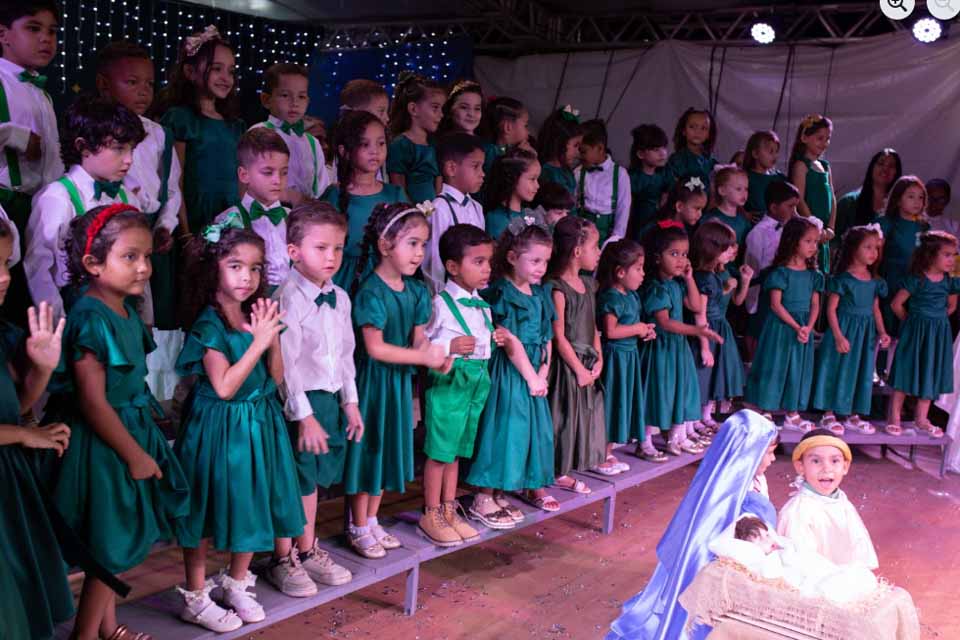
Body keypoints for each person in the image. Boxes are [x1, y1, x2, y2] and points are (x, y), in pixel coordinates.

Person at [47, 204, 189, 640]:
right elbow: (92, 402)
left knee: (117, 539)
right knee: (108, 551)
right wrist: (134, 455)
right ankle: (86, 635)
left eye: (147, 257)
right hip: (104, 444)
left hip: (129, 430)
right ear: (92, 263)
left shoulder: (124, 309)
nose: (144, 267)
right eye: (130, 257)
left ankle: (108, 628)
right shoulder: (91, 315)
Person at [174, 222, 314, 631]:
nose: (246, 277)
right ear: (212, 268)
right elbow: (222, 386)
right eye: (235, 266)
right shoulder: (209, 323)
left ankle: (236, 581)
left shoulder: (259, 310)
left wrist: (271, 341)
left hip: (259, 420)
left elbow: (275, 376)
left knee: (255, 500)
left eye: (254, 268)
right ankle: (196, 596)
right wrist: (257, 341)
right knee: (206, 506)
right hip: (218, 427)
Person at [606, 410, 778, 640]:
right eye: (768, 453)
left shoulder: (756, 481)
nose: (773, 460)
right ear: (748, 453)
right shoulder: (724, 491)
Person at [343, 202, 445, 558]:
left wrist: (436, 356)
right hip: (373, 384)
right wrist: (421, 357)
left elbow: (418, 338)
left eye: (423, 244)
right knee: (368, 450)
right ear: (386, 245)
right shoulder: (371, 291)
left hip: (398, 384)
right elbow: (375, 348)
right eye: (412, 243)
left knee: (387, 449)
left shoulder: (416, 291)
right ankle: (357, 524)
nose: (419, 253)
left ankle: (372, 520)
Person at [274, 202, 359, 585]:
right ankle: (284, 557)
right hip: (298, 403)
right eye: (321, 248)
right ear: (294, 251)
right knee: (294, 479)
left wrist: (351, 402)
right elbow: (286, 367)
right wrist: (303, 415)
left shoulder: (340, 296)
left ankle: (308, 549)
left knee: (314, 480)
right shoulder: (288, 298)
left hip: (329, 399)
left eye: (338, 248)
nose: (331, 257)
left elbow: (345, 354)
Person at [0, 219, 75, 640]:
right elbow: (18, 426)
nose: (4, 276)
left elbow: (16, 408)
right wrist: (26, 435)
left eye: (6, 262)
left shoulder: (5, 335)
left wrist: (41, 371)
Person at [95, 41, 183, 399]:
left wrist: (166, 224)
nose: (144, 91)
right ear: (104, 85)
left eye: (148, 83)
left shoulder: (159, 133)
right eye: (132, 82)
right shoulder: (100, 132)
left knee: (144, 309)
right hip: (109, 233)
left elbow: (171, 186)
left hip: (144, 232)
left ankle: (141, 388)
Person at [467, 218, 558, 524]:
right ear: (511, 257)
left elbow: (547, 337)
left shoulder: (541, 294)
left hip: (533, 374)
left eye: (545, 261)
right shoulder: (502, 293)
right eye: (534, 260)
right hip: (509, 373)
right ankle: (483, 495)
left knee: (524, 433)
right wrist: (531, 376)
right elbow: (508, 340)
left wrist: (543, 371)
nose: (540, 268)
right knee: (503, 429)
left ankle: (500, 493)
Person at [25, 96, 145, 319]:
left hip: (123, 313)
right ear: (83, 147)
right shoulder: (58, 198)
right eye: (119, 149)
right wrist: (59, 328)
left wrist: (145, 316)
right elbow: (39, 271)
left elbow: (140, 258)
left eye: (132, 149)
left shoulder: (126, 197)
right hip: (78, 315)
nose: (129, 160)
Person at [421, 223, 502, 546]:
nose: (487, 269)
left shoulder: (482, 305)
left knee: (456, 452)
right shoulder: (440, 304)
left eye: (488, 262)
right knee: (440, 451)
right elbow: (424, 344)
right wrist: (449, 348)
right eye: (478, 262)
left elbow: (482, 343)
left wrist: (495, 340)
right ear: (453, 267)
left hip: (476, 382)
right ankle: (431, 512)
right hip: (449, 382)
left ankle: (449, 506)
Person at [0, 0, 63, 326]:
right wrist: (19, 137)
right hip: (5, 209)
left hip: (37, 211)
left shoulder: (42, 92)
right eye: (33, 29)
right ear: (4, 34)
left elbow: (51, 160)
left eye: (52, 31)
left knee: (30, 310)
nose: (46, 39)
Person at [639, 222, 721, 455]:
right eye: (673, 254)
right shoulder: (656, 287)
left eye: (684, 254)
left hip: (677, 348)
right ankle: (644, 442)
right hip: (660, 348)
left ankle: (674, 438)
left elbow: (695, 306)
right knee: (657, 392)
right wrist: (697, 331)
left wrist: (689, 278)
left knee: (680, 391)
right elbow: (664, 322)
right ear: (657, 257)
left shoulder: (676, 284)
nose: (681, 260)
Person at [157, 25, 245, 235]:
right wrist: (186, 234)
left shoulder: (235, 125)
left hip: (231, 217)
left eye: (231, 71)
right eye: (216, 69)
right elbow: (174, 181)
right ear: (189, 71)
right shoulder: (181, 119)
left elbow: (242, 178)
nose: (226, 77)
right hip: (195, 219)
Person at [548, 216, 613, 488]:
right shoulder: (557, 288)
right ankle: (555, 470)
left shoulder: (589, 285)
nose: (598, 253)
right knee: (562, 416)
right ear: (577, 251)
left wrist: (597, 358)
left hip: (587, 362)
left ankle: (571, 464)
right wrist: (578, 369)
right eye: (595, 246)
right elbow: (559, 336)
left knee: (581, 417)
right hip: (568, 365)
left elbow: (594, 326)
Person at [745, 217, 825, 431]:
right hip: (781, 328)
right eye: (808, 241)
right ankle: (767, 411)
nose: (813, 246)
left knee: (798, 370)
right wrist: (796, 326)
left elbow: (815, 304)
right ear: (793, 241)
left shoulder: (813, 275)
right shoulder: (780, 273)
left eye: (815, 242)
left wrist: (808, 327)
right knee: (776, 367)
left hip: (802, 329)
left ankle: (793, 413)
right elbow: (775, 305)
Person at [811, 225, 889, 435]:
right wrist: (837, 336)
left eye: (876, 248)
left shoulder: (874, 281)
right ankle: (828, 413)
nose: (874, 253)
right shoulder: (844, 280)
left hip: (865, 335)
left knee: (860, 371)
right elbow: (831, 309)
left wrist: (882, 332)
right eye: (868, 247)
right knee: (836, 369)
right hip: (845, 331)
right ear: (854, 249)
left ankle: (853, 413)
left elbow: (875, 309)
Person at [323, 109, 406, 291]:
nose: (374, 151)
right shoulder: (334, 195)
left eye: (381, 143)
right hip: (344, 283)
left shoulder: (395, 194)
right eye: (365, 144)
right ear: (344, 151)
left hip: (387, 284)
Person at [886, 231, 959, 437]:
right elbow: (896, 304)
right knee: (905, 371)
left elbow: (951, 306)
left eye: (954, 255)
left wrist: (936, 321)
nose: (951, 260)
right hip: (915, 332)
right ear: (930, 255)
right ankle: (895, 417)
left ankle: (921, 418)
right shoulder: (917, 279)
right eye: (946, 255)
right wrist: (912, 322)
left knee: (931, 372)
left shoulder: (950, 282)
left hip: (938, 334)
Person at [777, 429, 879, 570]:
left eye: (835, 461)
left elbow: (860, 550)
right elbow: (802, 566)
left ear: (845, 466)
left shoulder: (842, 502)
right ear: (800, 467)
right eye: (816, 461)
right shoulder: (798, 512)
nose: (827, 468)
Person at [597, 238, 659, 463]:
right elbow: (611, 331)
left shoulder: (631, 296)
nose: (643, 274)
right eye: (638, 269)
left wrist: (644, 331)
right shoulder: (611, 297)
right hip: (615, 358)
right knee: (612, 403)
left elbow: (630, 327)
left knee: (622, 401)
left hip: (629, 356)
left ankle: (608, 451)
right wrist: (637, 328)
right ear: (620, 272)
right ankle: (601, 453)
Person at [213, 127, 291, 292]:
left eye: (284, 172)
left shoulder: (292, 217)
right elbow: (208, 264)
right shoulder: (228, 218)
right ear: (244, 175)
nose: (278, 180)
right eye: (268, 172)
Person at [691, 220, 751, 430]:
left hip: (718, 326)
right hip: (708, 329)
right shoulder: (704, 278)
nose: (732, 251)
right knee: (703, 374)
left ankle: (706, 416)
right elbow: (701, 310)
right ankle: (694, 419)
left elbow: (730, 300)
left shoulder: (716, 275)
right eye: (726, 248)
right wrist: (705, 345)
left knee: (715, 375)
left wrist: (740, 282)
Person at [252, 63, 329, 205]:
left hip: (306, 217)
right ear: (266, 100)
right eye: (285, 95)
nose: (294, 103)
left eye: (301, 96)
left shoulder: (312, 143)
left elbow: (321, 185)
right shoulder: (257, 135)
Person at [423, 132, 486, 293]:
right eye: (475, 166)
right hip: (448, 296)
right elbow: (434, 262)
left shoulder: (477, 208)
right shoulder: (439, 209)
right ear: (451, 168)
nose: (482, 173)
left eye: (482, 167)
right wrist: (439, 296)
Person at [878, 175, 930, 340]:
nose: (917, 201)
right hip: (890, 280)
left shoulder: (924, 226)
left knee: (906, 332)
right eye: (911, 196)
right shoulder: (886, 222)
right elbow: (875, 254)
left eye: (921, 197)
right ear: (898, 199)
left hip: (913, 284)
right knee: (887, 328)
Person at [386, 71, 443, 203]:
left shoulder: (433, 144)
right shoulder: (400, 145)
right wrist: (413, 214)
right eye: (435, 108)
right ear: (413, 109)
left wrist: (438, 209)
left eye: (441, 109)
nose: (441, 114)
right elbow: (398, 187)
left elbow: (438, 182)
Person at [788, 114, 836, 271]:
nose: (825, 143)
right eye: (820, 138)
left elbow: (832, 198)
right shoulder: (802, 165)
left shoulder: (825, 166)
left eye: (827, 138)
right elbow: (799, 199)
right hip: (811, 231)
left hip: (824, 234)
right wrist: (815, 226)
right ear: (804, 137)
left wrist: (830, 227)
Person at [572, 119, 631, 243]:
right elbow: (573, 203)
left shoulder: (620, 175)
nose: (579, 156)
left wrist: (615, 240)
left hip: (607, 237)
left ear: (599, 148)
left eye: (583, 152)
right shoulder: (578, 173)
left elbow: (623, 210)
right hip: (582, 235)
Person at [835, 148, 902, 240]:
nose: (885, 169)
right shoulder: (848, 202)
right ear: (872, 167)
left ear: (896, 172)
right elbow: (833, 240)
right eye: (880, 163)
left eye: (891, 166)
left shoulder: (901, 205)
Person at [484, 147, 540, 241]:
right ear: (513, 178)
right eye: (532, 179)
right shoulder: (496, 219)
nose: (537, 185)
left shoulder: (531, 215)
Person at [628, 124, 672, 237]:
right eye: (656, 150)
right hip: (638, 224)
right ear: (640, 154)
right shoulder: (633, 178)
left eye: (664, 148)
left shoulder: (665, 174)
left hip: (660, 222)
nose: (662, 153)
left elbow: (667, 198)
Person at [636, 175, 708, 241]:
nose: (700, 214)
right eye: (697, 208)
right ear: (679, 206)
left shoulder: (687, 229)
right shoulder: (657, 229)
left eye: (702, 209)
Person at [665, 108, 717, 192]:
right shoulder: (677, 160)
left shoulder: (711, 162)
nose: (697, 132)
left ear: (709, 134)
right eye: (692, 127)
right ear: (684, 130)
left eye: (703, 128)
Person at [536, 105, 583, 197]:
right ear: (559, 142)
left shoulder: (566, 170)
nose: (578, 152)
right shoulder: (546, 173)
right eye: (575, 145)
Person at [477, 96, 530, 176]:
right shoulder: (490, 152)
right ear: (507, 127)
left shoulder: (504, 149)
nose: (528, 132)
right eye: (525, 125)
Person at [701, 164, 752, 248]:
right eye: (738, 189)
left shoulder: (743, 221)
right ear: (722, 190)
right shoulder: (710, 218)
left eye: (746, 189)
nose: (744, 193)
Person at [743, 130, 786, 220]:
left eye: (776, 151)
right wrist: (744, 214)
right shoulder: (745, 177)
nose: (775, 156)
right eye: (770, 151)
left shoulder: (780, 178)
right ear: (755, 153)